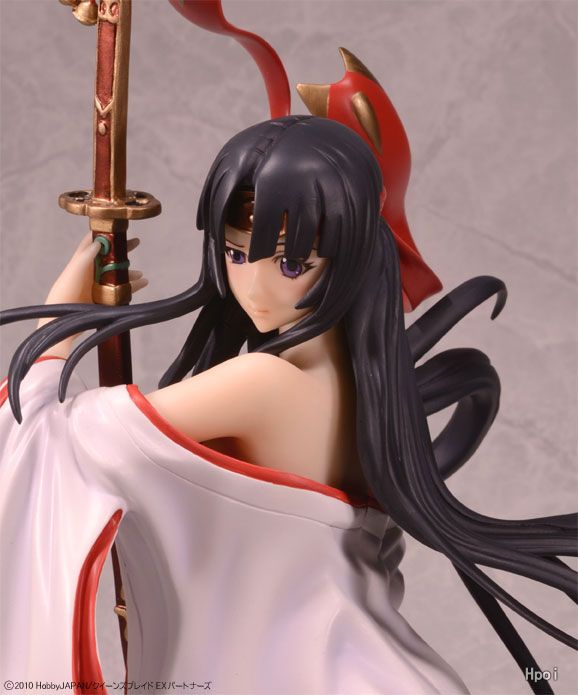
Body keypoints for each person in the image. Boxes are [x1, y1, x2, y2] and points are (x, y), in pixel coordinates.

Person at [0, 116, 575, 694]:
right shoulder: (370, 383)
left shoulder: (264, 383)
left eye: (292, 264)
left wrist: (58, 321)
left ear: (349, 256)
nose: (254, 288)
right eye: (235, 253)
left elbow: (53, 441)